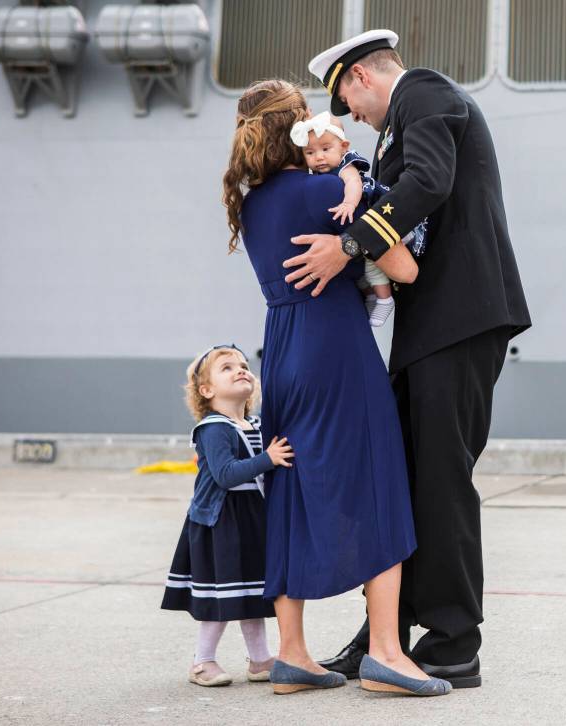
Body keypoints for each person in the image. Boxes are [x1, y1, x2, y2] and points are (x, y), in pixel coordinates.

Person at [287, 29, 531, 688]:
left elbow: (428, 180)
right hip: (430, 328)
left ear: (362, 77)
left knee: (441, 479)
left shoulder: (424, 93)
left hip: (461, 317)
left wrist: (347, 247)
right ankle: (388, 637)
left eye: (348, 102)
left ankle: (455, 640)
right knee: (403, 481)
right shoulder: (398, 125)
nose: (351, 118)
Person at [221, 78, 451, 697]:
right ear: (300, 128)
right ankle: (385, 653)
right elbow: (403, 267)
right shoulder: (325, 190)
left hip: (283, 350)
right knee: (379, 483)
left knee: (291, 489)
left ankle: (292, 655)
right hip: (336, 349)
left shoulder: (253, 202)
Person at [160, 344, 293, 687]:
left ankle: (261, 659)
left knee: (250, 592)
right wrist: (269, 458)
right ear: (206, 390)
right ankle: (202, 662)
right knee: (221, 595)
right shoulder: (213, 427)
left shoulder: (255, 424)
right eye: (227, 367)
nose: (240, 370)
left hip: (249, 518)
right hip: (219, 522)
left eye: (244, 365)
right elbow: (225, 474)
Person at [291, 110, 429, 327]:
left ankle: (384, 299)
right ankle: (372, 296)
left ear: (343, 146)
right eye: (310, 153)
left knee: (372, 262)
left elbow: (354, 183)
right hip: (354, 224)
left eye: (326, 149)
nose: (318, 157)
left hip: (373, 214)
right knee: (360, 270)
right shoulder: (318, 174)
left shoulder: (345, 165)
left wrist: (349, 204)